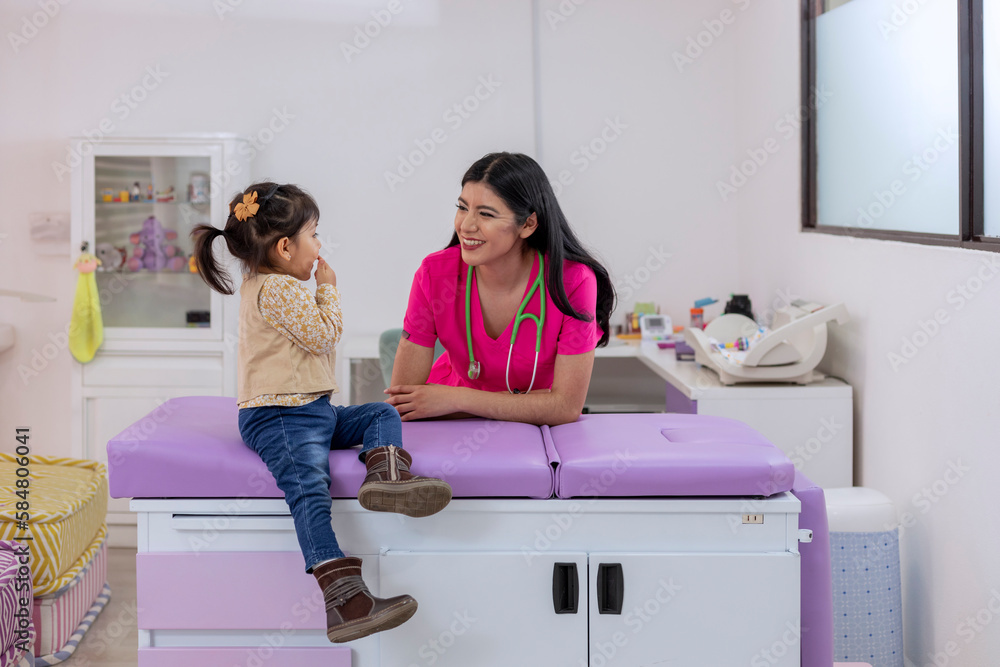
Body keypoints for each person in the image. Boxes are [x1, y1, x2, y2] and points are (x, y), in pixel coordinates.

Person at [192, 182, 451, 644]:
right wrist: (328, 289)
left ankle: (386, 477)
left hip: (311, 409)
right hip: (280, 416)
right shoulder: (277, 289)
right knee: (309, 491)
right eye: (314, 234)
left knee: (378, 413)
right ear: (286, 246)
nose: (319, 246)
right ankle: (347, 604)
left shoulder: (270, 285)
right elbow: (325, 336)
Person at [387, 152, 615, 425]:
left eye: (486, 214)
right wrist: (531, 403)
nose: (466, 225)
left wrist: (455, 399)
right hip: (449, 424)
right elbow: (403, 403)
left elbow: (565, 407)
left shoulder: (573, 282)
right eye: (462, 208)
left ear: (528, 224)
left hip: (478, 416)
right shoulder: (435, 274)